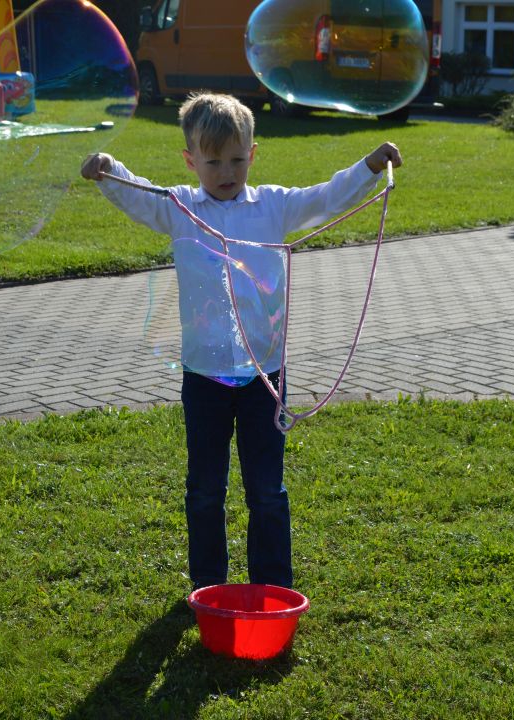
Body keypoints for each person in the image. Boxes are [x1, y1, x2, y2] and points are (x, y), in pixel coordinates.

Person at [81, 92, 401, 591]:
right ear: (191, 161)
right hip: (204, 376)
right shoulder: (180, 208)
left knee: (267, 490)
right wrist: (107, 168)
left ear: (252, 154)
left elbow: (324, 197)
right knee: (205, 490)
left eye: (236, 160)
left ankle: (271, 587)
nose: (226, 172)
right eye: (213, 162)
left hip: (264, 377)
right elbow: (138, 194)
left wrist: (369, 167)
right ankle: (208, 585)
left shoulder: (273, 205)